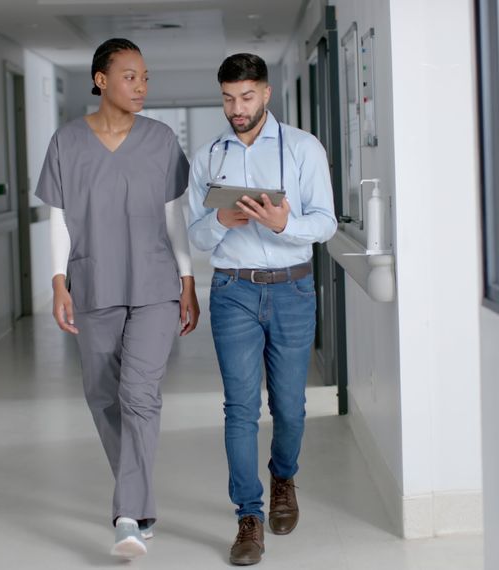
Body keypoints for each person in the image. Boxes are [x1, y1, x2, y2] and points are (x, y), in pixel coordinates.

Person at [34, 37, 200, 560]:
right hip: (94, 281)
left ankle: (126, 515)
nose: (142, 86)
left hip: (154, 284)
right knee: (102, 396)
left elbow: (175, 216)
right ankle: (141, 499)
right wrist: (58, 279)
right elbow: (57, 217)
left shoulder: (160, 140)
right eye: (131, 76)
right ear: (101, 79)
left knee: (139, 395)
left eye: (146, 77)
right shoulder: (66, 142)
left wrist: (188, 279)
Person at [186, 53, 336, 566]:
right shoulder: (209, 158)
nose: (237, 109)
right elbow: (195, 234)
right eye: (228, 99)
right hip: (233, 292)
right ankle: (247, 515)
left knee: (290, 407)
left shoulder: (302, 149)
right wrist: (223, 218)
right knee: (240, 408)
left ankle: (283, 477)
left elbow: (326, 223)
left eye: (246, 97)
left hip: (292, 290)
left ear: (266, 94)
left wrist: (280, 224)